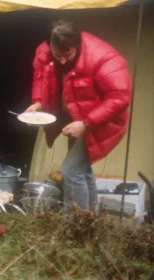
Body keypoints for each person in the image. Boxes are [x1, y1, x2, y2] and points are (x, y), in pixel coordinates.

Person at [24, 20, 131, 211]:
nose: (63, 60)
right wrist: (38, 101)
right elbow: (42, 77)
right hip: (76, 118)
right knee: (82, 171)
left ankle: (74, 226)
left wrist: (87, 123)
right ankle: (90, 222)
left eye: (68, 55)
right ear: (49, 46)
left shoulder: (102, 58)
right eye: (58, 55)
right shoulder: (45, 53)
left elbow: (120, 97)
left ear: (78, 45)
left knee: (70, 171)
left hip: (102, 122)